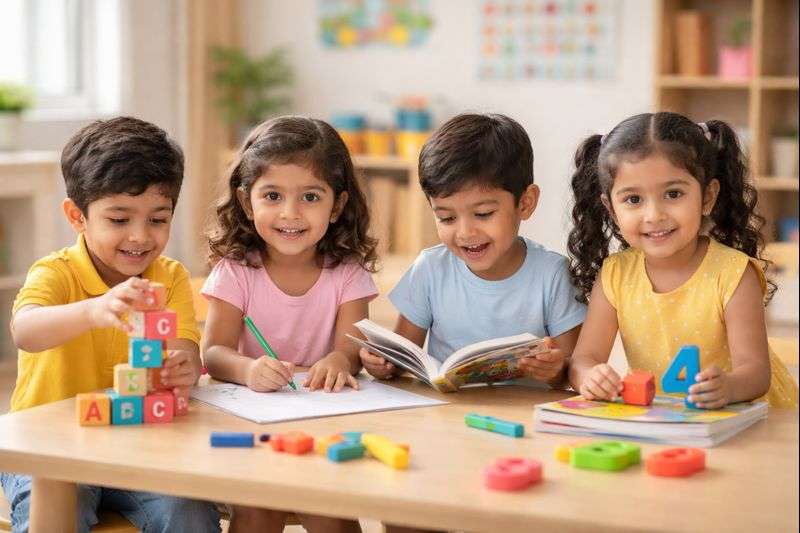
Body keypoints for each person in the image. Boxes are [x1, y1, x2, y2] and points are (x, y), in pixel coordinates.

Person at [2, 117, 220, 532]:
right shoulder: (55, 273)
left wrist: (181, 368)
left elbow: (184, 353)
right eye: (119, 220)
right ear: (77, 216)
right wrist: (91, 310)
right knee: (56, 508)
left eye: (157, 220)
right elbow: (25, 331)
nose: (140, 237)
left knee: (189, 509)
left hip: (141, 445)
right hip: (50, 447)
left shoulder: (169, 277)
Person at [202, 116, 378, 533]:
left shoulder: (347, 273)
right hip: (252, 423)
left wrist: (339, 360)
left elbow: (352, 348)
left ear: (337, 205)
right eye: (273, 195)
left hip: (324, 425)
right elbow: (213, 353)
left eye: (311, 197)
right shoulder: (235, 271)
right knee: (259, 508)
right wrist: (247, 368)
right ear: (247, 203)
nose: (290, 213)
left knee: (328, 507)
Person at [567, 111, 798, 409]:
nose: (654, 215)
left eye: (673, 194)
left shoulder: (734, 273)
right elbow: (584, 359)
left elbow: (756, 374)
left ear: (706, 197)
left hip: (750, 418)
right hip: (673, 419)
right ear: (611, 209)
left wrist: (728, 387)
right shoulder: (614, 274)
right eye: (633, 200)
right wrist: (589, 376)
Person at [360, 113, 586, 389]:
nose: (465, 233)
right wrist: (381, 364)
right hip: (446, 414)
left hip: (524, 417)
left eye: (483, 213)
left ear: (525, 203)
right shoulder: (430, 269)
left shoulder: (553, 275)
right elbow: (403, 358)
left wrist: (552, 368)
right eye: (446, 218)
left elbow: (570, 373)